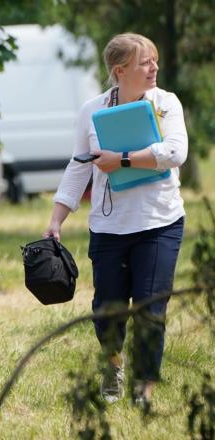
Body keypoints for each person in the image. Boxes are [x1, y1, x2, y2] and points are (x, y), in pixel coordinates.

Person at [45, 33, 187, 408]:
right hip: (109, 227)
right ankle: (113, 366)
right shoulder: (92, 110)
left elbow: (175, 152)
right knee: (107, 309)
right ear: (120, 71)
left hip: (160, 222)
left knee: (150, 308)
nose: (154, 67)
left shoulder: (166, 103)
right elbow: (79, 168)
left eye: (155, 60)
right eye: (145, 62)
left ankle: (144, 385)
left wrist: (121, 160)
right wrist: (58, 217)